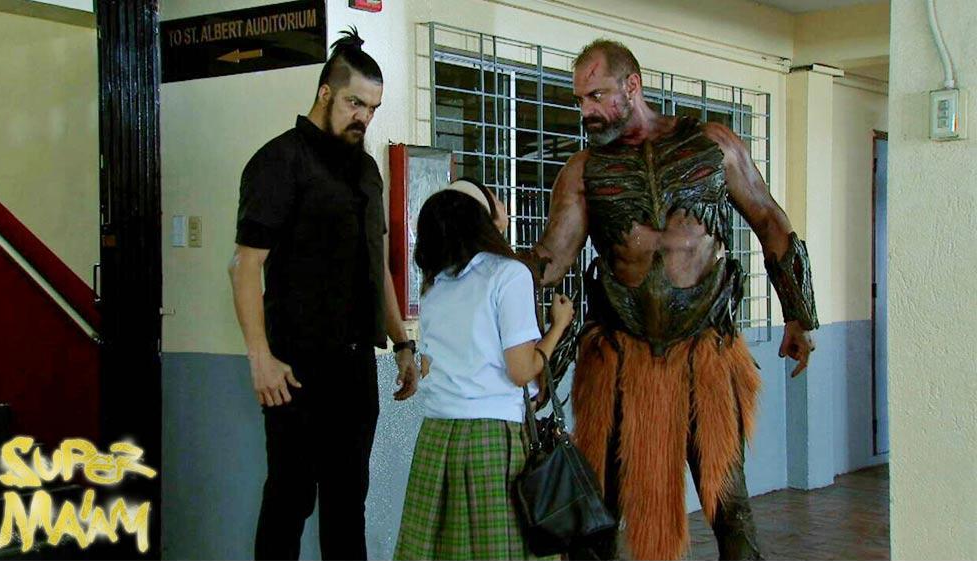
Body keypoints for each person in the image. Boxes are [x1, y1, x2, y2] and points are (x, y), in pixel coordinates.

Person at [519, 40, 820, 560]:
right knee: (597, 513)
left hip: (705, 354)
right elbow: (552, 259)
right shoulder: (584, 171)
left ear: (632, 86)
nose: (586, 111)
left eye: (596, 95)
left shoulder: (713, 146)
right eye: (580, 100)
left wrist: (799, 315)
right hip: (619, 358)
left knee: (729, 508)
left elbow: (770, 220)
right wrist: (486, 259)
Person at [227, 28, 419, 560]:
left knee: (347, 504)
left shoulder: (367, 170)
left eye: (373, 108)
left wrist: (402, 342)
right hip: (294, 367)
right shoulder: (279, 161)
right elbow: (244, 266)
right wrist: (260, 359)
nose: (364, 117)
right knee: (290, 499)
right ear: (325, 92)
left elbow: (376, 264)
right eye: (355, 103)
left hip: (355, 367)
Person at [393, 179, 574, 560]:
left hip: (436, 435)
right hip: (491, 436)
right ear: (482, 218)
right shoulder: (509, 274)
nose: (502, 204)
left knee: (442, 551)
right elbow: (521, 371)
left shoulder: (435, 285)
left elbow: (428, 365)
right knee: (499, 550)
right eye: (494, 200)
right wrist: (558, 326)